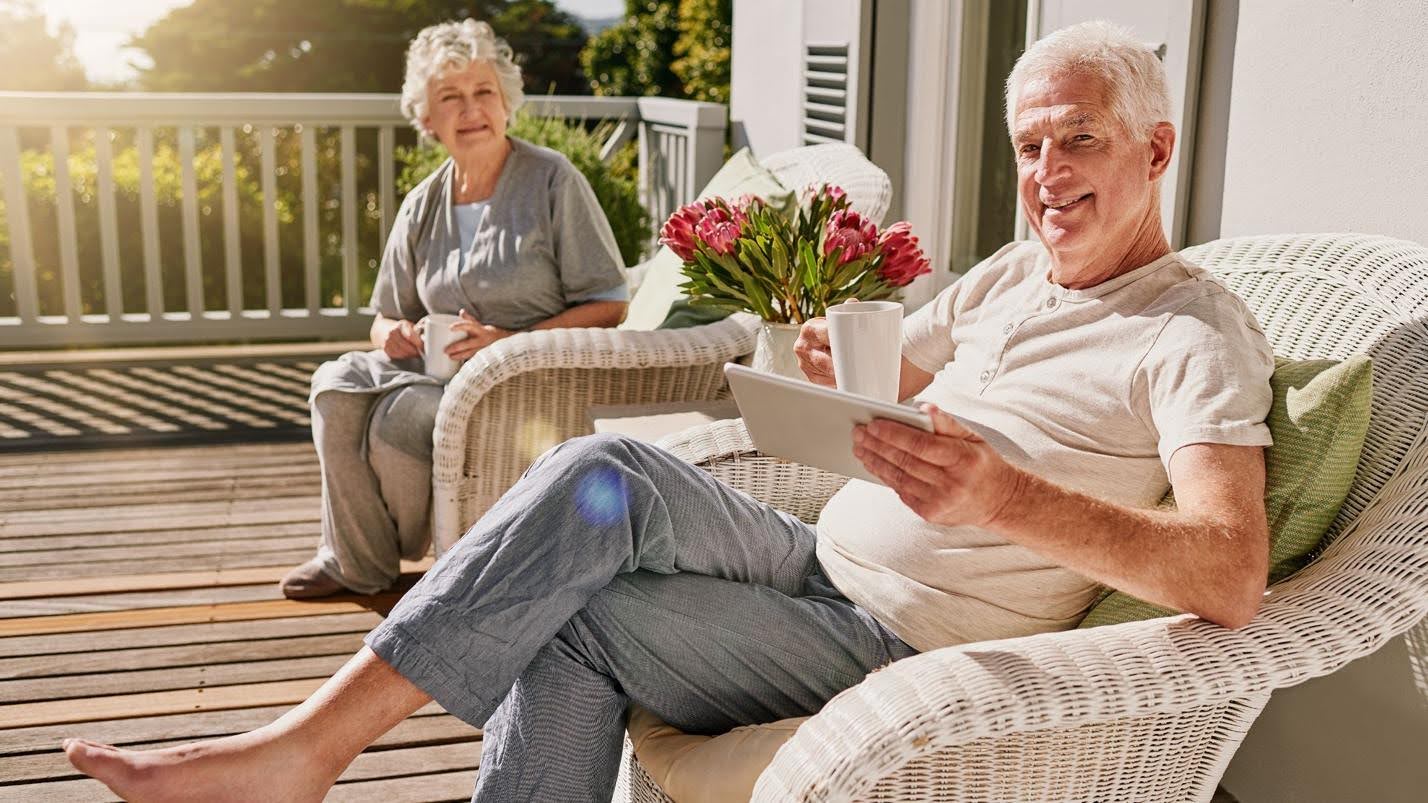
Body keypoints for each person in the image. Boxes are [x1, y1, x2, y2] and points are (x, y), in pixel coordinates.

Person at [63, 20, 1276, 802]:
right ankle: (308, 748)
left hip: (901, 631)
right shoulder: (1016, 271)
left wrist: (1002, 492)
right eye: (1028, 147)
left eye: (1079, 143)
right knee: (609, 474)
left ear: (1157, 148)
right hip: (814, 551)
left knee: (568, 612)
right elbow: (895, 372)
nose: (1047, 177)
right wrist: (830, 361)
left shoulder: (1191, 332)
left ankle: (307, 750)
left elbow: (1229, 571)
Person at [281, 19, 629, 599]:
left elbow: (609, 305)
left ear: (506, 103)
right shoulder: (424, 202)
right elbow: (385, 315)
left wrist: (506, 339)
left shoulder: (552, 181)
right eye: (451, 98)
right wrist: (393, 334)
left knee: (402, 417)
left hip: (520, 377)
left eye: (483, 92)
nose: (471, 110)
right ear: (428, 120)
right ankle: (355, 561)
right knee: (335, 387)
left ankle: (391, 556)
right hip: (435, 370)